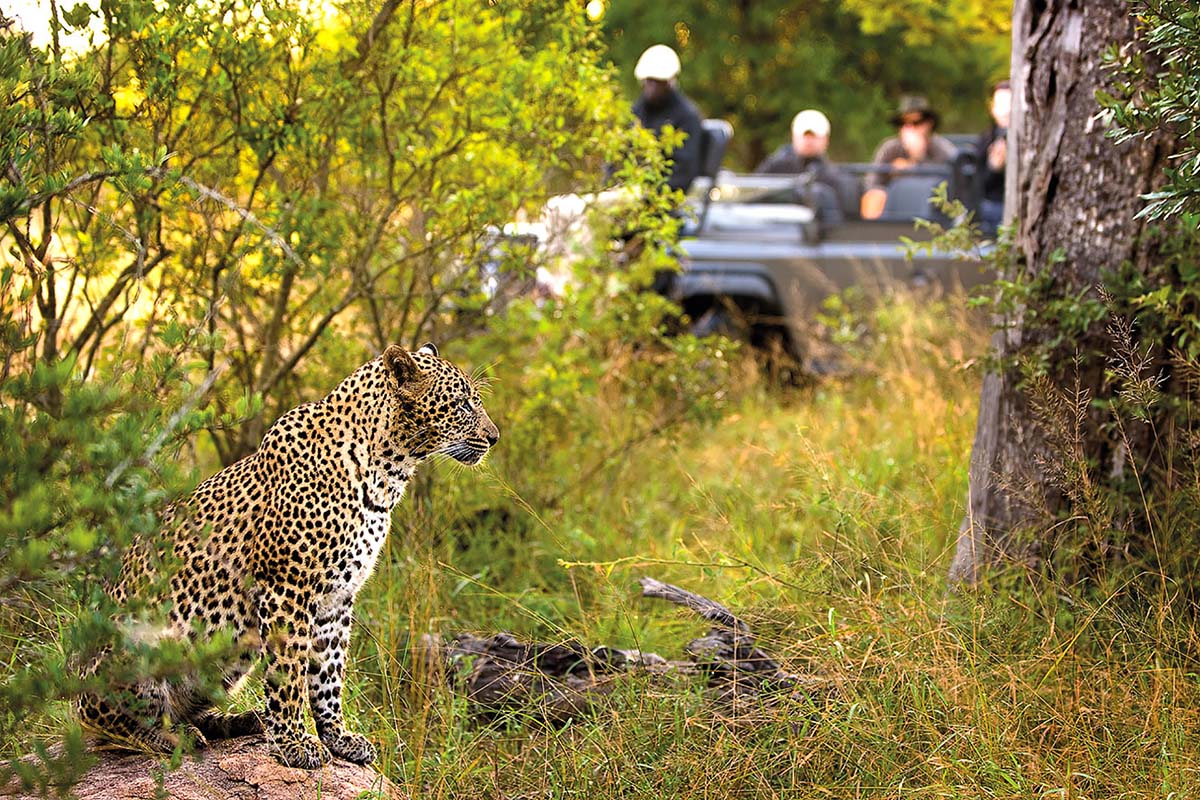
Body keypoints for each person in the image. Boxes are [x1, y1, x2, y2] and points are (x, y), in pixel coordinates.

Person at [861, 96, 958, 220]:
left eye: (916, 123)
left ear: (929, 123)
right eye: (904, 124)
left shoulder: (943, 150)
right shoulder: (889, 148)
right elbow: (871, 183)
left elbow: (948, 188)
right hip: (893, 212)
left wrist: (915, 164)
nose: (909, 129)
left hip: (930, 214)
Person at [630, 44, 704, 196]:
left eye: (658, 82)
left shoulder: (687, 116)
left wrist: (649, 194)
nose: (652, 87)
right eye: (649, 81)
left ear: (670, 81)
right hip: (630, 193)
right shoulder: (637, 112)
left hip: (662, 201)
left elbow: (684, 172)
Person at [756, 108, 847, 223]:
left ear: (825, 139)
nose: (808, 141)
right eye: (804, 135)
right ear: (794, 136)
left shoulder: (833, 176)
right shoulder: (774, 167)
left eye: (814, 136)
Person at [975, 79, 1011, 234]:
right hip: (991, 208)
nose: (1005, 111)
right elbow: (977, 186)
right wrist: (993, 168)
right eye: (1000, 105)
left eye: (1009, 105)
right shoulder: (985, 140)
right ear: (993, 109)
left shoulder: (1033, 139)